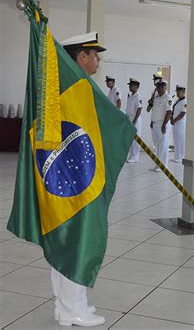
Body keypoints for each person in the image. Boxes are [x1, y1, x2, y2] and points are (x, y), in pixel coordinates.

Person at [56, 31, 106, 326]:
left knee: (71, 241)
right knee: (76, 241)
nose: (98, 60)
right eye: (95, 54)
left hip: (77, 177)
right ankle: (71, 308)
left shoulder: (79, 85)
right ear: (81, 56)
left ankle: (69, 306)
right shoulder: (75, 88)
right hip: (75, 180)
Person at [149, 78, 172, 171]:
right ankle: (158, 164)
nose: (159, 88)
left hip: (162, 124)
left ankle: (163, 166)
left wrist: (163, 125)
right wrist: (151, 121)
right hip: (155, 124)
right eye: (158, 87)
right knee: (158, 146)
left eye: (161, 87)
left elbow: (169, 112)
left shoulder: (168, 98)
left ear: (165, 87)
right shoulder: (157, 97)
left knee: (163, 145)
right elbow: (154, 110)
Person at [125, 78, 142, 163]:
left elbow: (139, 109)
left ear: (136, 86)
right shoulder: (130, 96)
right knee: (131, 139)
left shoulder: (138, 96)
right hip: (129, 119)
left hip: (135, 120)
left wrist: (135, 120)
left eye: (131, 85)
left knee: (135, 139)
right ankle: (131, 155)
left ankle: (135, 157)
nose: (130, 87)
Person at [171, 85, 187, 163]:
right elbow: (173, 111)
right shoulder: (177, 100)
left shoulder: (184, 101)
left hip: (180, 123)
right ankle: (176, 156)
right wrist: (171, 119)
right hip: (175, 123)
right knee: (176, 140)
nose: (177, 93)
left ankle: (181, 157)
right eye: (177, 91)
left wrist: (174, 120)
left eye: (179, 92)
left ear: (183, 92)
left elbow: (183, 113)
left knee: (180, 140)